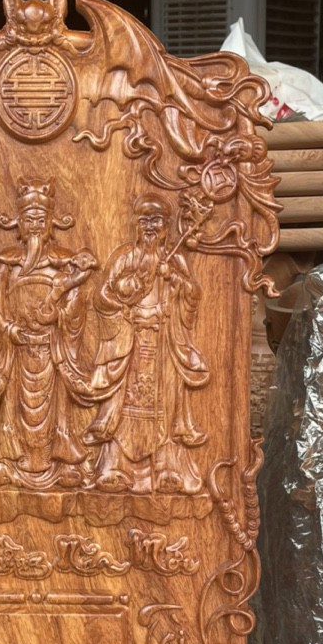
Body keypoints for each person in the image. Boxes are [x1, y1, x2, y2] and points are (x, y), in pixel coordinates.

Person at [0, 177, 97, 487]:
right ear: (20, 224)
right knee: (14, 406)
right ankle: (8, 461)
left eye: (42, 220)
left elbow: (76, 302)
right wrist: (8, 328)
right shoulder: (8, 262)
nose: (36, 226)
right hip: (19, 348)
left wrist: (60, 315)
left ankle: (61, 462)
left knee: (56, 406)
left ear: (51, 223)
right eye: (30, 220)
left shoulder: (64, 262)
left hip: (51, 347)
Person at [84, 192, 208, 494]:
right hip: (131, 340)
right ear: (136, 224)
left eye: (157, 221)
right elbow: (102, 296)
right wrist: (127, 290)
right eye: (145, 221)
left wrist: (173, 278)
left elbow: (193, 294)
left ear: (166, 226)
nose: (150, 227)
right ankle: (115, 467)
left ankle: (166, 469)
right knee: (122, 406)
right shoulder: (125, 257)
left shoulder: (174, 259)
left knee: (166, 407)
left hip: (164, 341)